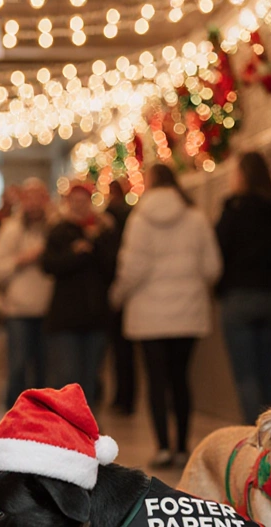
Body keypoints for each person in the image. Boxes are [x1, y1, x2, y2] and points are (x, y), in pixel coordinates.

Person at [111, 164, 221, 468]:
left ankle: (162, 447)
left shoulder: (140, 219)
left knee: (156, 382)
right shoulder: (196, 218)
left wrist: (117, 295)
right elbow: (212, 267)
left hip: (148, 315)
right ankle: (183, 446)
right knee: (181, 379)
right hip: (188, 313)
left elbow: (132, 268)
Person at [215, 152, 271, 424]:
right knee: (266, 371)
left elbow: (219, 251)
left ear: (242, 175)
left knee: (246, 376)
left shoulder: (234, 209)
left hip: (239, 297)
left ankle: (257, 437)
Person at [42, 182, 119, 406]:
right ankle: (68, 422)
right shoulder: (59, 231)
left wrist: (93, 242)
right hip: (65, 317)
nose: (79, 206)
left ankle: (88, 422)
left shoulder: (105, 231)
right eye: (74, 201)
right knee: (67, 375)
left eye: (83, 201)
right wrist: (75, 253)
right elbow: (49, 265)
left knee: (91, 375)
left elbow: (111, 268)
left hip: (95, 315)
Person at [0, 178, 55, 406]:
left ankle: (43, 417)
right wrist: (22, 260)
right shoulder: (10, 230)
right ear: (22, 200)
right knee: (17, 366)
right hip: (18, 310)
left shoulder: (55, 228)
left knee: (45, 370)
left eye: (40, 196)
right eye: (30, 197)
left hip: (48, 309)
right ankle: (14, 415)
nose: (35, 203)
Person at [104, 181, 138, 415]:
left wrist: (116, 294)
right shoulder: (134, 216)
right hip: (136, 298)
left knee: (119, 352)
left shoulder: (109, 219)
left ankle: (121, 398)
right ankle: (127, 398)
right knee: (127, 353)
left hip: (120, 292)